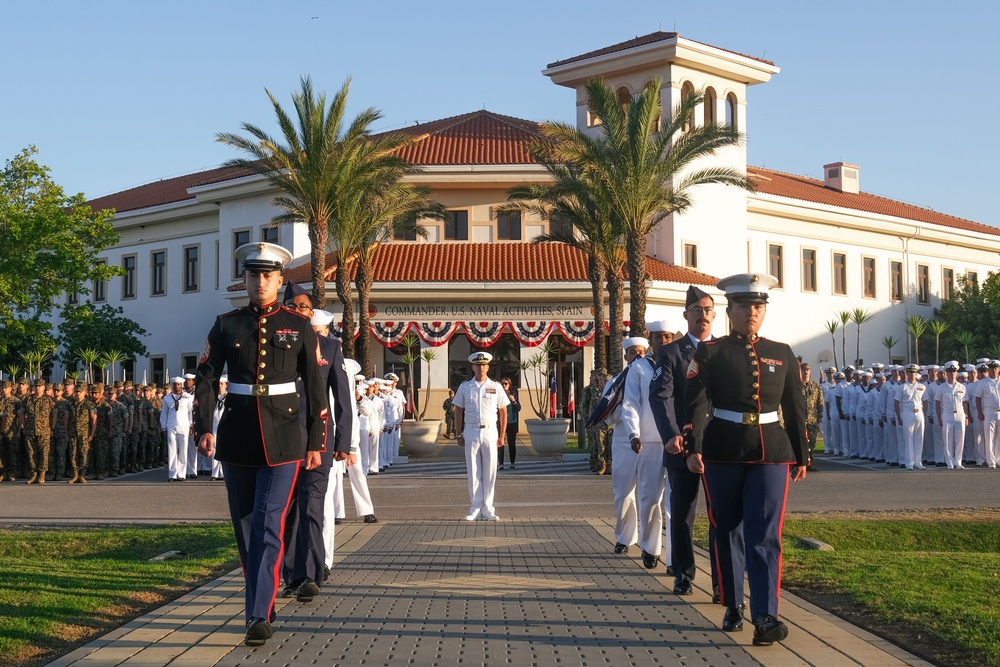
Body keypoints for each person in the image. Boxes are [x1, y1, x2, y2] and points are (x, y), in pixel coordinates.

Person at [195, 242, 334, 647]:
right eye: (253, 275)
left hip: (286, 437)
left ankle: (257, 612)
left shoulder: (298, 324)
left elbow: (316, 386)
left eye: (267, 276)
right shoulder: (225, 324)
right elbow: (206, 377)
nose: (259, 282)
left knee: (269, 523)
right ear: (245, 279)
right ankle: (263, 598)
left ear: (279, 281)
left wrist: (316, 439)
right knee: (245, 526)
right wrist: (204, 425)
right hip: (237, 434)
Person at [683, 273, 807, 647]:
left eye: (758, 306)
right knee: (729, 529)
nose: (751, 313)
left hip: (772, 451)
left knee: (766, 535)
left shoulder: (782, 352)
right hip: (723, 449)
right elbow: (697, 402)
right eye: (743, 307)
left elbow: (795, 407)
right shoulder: (711, 351)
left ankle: (767, 615)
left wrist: (802, 453)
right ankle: (733, 603)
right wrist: (694, 447)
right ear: (730, 310)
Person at [279, 297, 353, 605]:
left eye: (304, 307)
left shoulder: (331, 348)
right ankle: (290, 576)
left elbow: (344, 400)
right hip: (281, 443)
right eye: (293, 306)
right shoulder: (275, 345)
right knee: (287, 513)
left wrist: (343, 443)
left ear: (312, 314)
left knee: (312, 507)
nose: (300, 311)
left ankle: (309, 576)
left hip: (318, 441)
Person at [650, 284, 718, 597]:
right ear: (686, 315)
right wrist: (671, 434)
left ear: (714, 314)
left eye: (707, 310)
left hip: (720, 447)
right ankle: (684, 573)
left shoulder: (725, 350)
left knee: (724, 518)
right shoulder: (670, 353)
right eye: (696, 311)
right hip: (682, 446)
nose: (702, 316)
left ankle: (722, 582)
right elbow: (662, 396)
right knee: (682, 513)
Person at [622, 322, 670, 571]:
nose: (664, 340)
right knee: (650, 497)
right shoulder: (639, 368)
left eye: (668, 336)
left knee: (675, 502)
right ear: (651, 338)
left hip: (676, 441)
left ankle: (674, 558)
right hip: (649, 441)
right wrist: (633, 433)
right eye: (659, 336)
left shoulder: (681, 363)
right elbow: (630, 403)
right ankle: (650, 548)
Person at [452, 351, 509, 521]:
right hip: (471, 430)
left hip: (490, 430)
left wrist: (502, 435)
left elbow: (504, 411)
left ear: (488, 367)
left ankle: (488, 508)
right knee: (473, 470)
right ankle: (475, 507)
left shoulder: (496, 386)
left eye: (484, 365)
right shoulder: (465, 386)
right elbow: (458, 411)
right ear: (473, 367)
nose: (481, 368)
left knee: (490, 471)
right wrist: (458, 433)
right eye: (478, 365)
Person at [604, 337, 647, 554]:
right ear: (625, 356)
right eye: (633, 352)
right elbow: (606, 418)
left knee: (650, 494)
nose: (638, 355)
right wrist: (624, 407)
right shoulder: (614, 383)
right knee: (623, 492)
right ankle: (625, 538)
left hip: (649, 440)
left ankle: (650, 544)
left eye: (641, 351)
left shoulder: (652, 376)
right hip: (623, 440)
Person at [22, 379, 56, 484]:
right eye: (36, 386)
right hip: (30, 431)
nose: (37, 388)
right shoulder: (28, 399)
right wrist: (23, 426)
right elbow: (21, 413)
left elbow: (54, 414)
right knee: (31, 453)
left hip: (44, 431)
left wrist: (52, 428)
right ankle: (34, 473)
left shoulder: (49, 400)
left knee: (44, 453)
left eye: (40, 386)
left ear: (43, 388)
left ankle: (42, 474)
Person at [161, 377, 194, 482]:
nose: (177, 386)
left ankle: (181, 474)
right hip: (171, 426)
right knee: (172, 451)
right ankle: (172, 474)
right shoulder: (167, 398)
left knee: (183, 451)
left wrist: (191, 425)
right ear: (172, 385)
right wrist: (164, 427)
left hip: (184, 426)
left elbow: (190, 413)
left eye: (179, 384)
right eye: (175, 384)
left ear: (182, 385)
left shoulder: (188, 397)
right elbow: (164, 414)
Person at [895, 364, 928, 470]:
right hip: (907, 412)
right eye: (910, 372)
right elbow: (896, 402)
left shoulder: (922, 386)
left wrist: (925, 414)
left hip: (919, 412)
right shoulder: (902, 387)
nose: (912, 374)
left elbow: (925, 401)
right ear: (907, 373)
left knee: (919, 438)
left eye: (914, 372)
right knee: (908, 438)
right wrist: (899, 417)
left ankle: (918, 462)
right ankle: (909, 462)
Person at [581, 369, 611, 474]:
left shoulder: (610, 390)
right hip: (597, 422)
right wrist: (589, 422)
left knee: (609, 445)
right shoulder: (592, 390)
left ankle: (609, 465)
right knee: (598, 445)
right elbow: (586, 407)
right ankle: (600, 464)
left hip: (610, 422)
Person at [800, 363, 822, 469]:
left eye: (808, 370)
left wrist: (820, 415)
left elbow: (820, 401)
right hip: (799, 418)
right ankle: (799, 463)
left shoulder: (816, 386)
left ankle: (809, 463)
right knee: (800, 440)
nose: (806, 372)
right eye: (804, 370)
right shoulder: (796, 385)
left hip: (812, 418)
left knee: (812, 441)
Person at [498, 377, 519, 469]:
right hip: (501, 422)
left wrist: (513, 400)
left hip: (512, 421)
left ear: (509, 385)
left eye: (505, 383)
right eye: (502, 383)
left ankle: (512, 462)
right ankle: (501, 463)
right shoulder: (498, 394)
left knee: (511, 443)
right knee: (500, 442)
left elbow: (518, 408)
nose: (503, 385)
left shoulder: (513, 394)